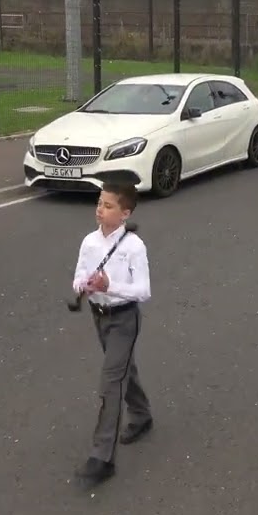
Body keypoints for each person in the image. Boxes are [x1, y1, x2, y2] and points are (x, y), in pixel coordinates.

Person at [72, 182, 153, 489]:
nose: (100, 209)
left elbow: (143, 291)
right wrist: (85, 285)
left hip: (124, 319)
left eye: (108, 205)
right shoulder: (89, 242)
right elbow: (78, 276)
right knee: (122, 371)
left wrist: (110, 287)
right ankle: (142, 413)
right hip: (99, 317)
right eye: (99, 203)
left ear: (125, 213)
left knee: (110, 382)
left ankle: (102, 457)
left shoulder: (134, 246)